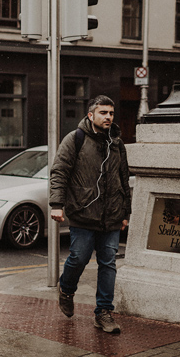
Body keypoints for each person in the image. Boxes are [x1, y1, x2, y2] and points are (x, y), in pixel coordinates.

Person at [50, 95, 131, 334]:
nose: (108, 117)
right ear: (91, 115)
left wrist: (125, 211)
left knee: (108, 263)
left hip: (112, 216)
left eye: (111, 113)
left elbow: (123, 179)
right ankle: (66, 288)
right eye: (103, 113)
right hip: (84, 213)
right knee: (79, 257)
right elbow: (59, 172)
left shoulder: (117, 142)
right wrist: (57, 204)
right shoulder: (75, 139)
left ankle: (103, 312)